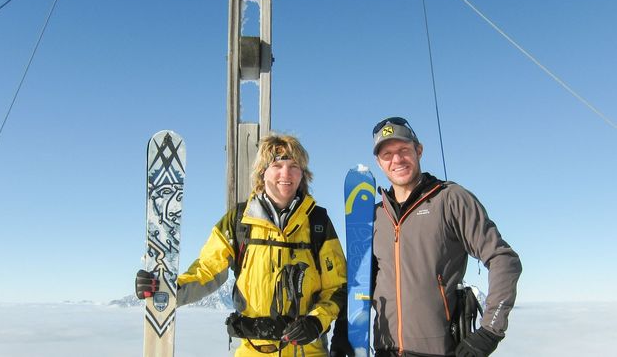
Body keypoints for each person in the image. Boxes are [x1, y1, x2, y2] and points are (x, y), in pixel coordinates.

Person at [137, 134, 348, 357]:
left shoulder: (317, 222)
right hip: (252, 349)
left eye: (294, 166)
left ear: (302, 174)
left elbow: (337, 286)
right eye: (277, 165)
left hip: (308, 352)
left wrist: (316, 321)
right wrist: (167, 288)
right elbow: (207, 271)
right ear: (262, 172)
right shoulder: (238, 221)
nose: (286, 173)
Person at [368, 116, 521, 357]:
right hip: (384, 349)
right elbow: (364, 282)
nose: (396, 159)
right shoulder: (376, 216)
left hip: (439, 350)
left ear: (419, 150)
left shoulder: (449, 199)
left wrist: (490, 331)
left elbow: (503, 259)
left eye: (403, 150)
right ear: (379, 162)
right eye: (387, 154)